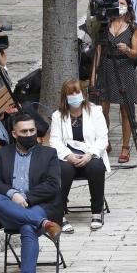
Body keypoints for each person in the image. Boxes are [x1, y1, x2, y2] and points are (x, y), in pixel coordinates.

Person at [0, 112, 63, 273]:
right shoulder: (2, 154)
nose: (29, 134)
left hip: (40, 207)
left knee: (27, 227)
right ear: (14, 134)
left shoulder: (48, 154)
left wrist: (27, 198)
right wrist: (13, 194)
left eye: (32, 130)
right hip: (10, 209)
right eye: (24, 131)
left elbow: (53, 185)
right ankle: (45, 225)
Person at [48, 79, 108, 233]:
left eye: (77, 92)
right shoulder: (58, 116)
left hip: (89, 154)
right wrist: (68, 156)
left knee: (96, 167)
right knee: (64, 170)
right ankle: (59, 214)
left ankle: (97, 212)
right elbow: (54, 141)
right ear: (65, 97)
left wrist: (89, 154)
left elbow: (103, 139)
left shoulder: (95, 111)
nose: (75, 95)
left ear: (83, 93)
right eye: (71, 93)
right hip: (68, 157)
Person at [94, 0, 137, 164]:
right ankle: (105, 141)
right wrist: (94, 75)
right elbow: (98, 50)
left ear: (128, 6)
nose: (119, 6)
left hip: (124, 67)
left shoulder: (133, 27)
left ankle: (125, 147)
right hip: (106, 67)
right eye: (117, 3)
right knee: (103, 109)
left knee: (125, 110)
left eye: (123, 3)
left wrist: (127, 50)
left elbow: (135, 53)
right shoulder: (105, 24)